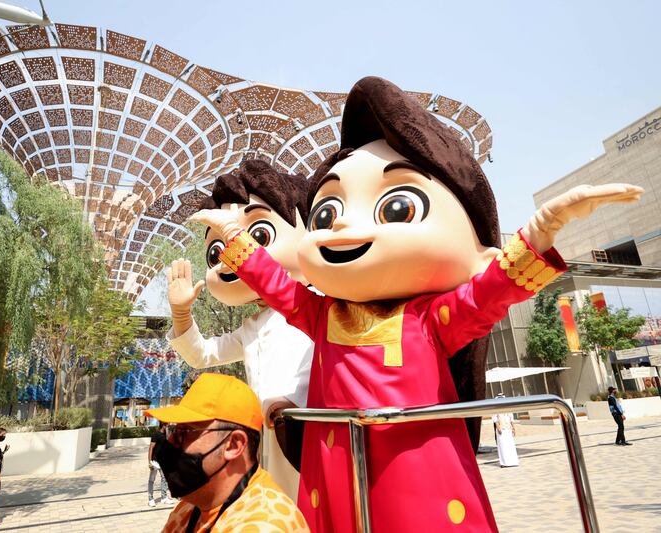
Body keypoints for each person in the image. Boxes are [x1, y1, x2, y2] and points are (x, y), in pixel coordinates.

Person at [192, 76, 643, 532]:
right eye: (326, 214)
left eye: (396, 207)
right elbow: (276, 286)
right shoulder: (323, 316)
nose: (344, 226)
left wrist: (540, 232)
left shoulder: (430, 322)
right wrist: (231, 237)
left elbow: (487, 294)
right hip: (335, 472)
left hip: (418, 478)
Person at [166, 160, 314, 498]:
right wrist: (180, 312)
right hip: (268, 447)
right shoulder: (252, 326)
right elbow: (203, 354)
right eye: (216, 251)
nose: (228, 259)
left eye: (259, 235)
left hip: (317, 438)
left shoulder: (318, 302)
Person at [147, 373, 308, 532]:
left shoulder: (265, 524)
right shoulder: (191, 506)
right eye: (173, 430)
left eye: (186, 432)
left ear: (234, 445)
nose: (171, 441)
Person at [148, 422, 175, 507]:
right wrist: (149, 462)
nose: (168, 427)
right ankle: (151, 499)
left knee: (164, 479)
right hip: (155, 461)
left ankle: (164, 498)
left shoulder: (166, 435)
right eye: (167, 425)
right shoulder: (156, 434)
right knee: (152, 480)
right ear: (163, 426)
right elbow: (151, 448)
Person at [492, 394, 519, 467]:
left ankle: (513, 462)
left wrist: (513, 428)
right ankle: (504, 463)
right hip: (501, 430)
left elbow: (511, 418)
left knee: (510, 446)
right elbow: (495, 419)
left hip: (508, 429)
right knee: (502, 446)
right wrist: (498, 427)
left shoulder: (508, 407)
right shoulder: (495, 408)